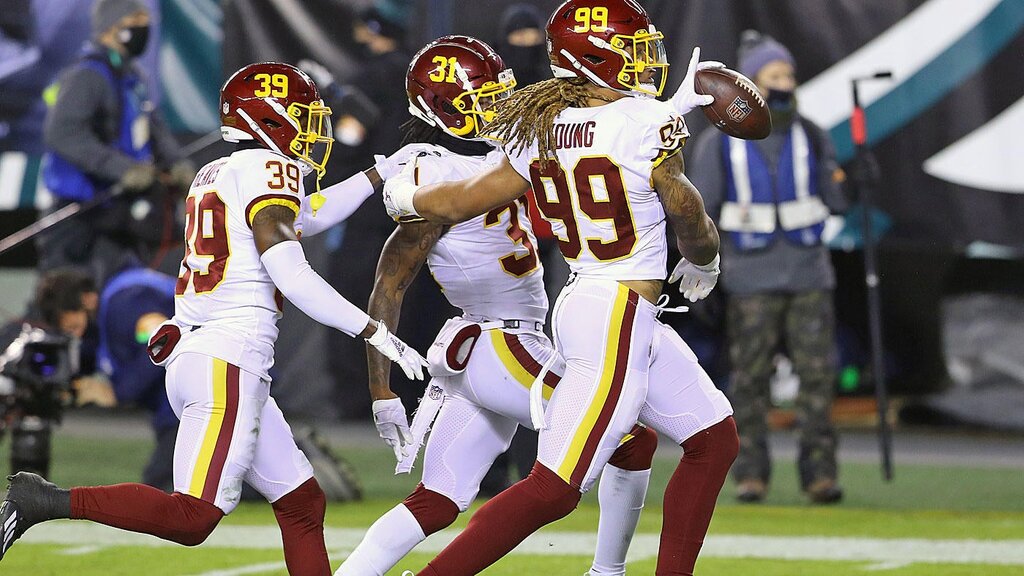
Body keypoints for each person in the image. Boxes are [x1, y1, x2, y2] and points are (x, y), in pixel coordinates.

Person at [0, 62, 427, 574]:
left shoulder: (220, 171)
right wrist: (375, 330)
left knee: (301, 503)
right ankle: (44, 500)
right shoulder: (268, 170)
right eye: (301, 116)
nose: (312, 131)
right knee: (194, 517)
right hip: (229, 358)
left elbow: (304, 215)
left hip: (207, 354)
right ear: (268, 118)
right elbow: (291, 274)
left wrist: (378, 174)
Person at [381, 2, 738, 574]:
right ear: (595, 58)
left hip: (590, 299)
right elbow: (685, 207)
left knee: (713, 437)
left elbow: (464, 198)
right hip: (617, 308)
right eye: (633, 50)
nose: (645, 62)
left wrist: (407, 198)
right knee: (554, 489)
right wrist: (706, 261)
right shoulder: (646, 122)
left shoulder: (541, 125)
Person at [325, 35, 657, 576]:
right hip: (497, 343)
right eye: (480, 98)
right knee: (628, 439)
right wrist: (380, 389)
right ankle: (608, 572)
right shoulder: (427, 171)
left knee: (435, 501)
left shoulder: (504, 152)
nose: (496, 107)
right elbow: (389, 286)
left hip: (499, 343)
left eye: (499, 93)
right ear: (442, 107)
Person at [688, 31, 847, 505]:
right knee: (749, 380)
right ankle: (750, 473)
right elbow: (701, 209)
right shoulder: (720, 144)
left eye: (788, 74)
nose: (784, 83)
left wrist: (853, 181)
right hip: (750, 277)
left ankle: (820, 474)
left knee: (817, 377)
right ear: (751, 85)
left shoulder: (812, 135)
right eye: (774, 75)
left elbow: (834, 200)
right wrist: (707, 267)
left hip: (809, 275)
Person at [39, 0, 194, 284]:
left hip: (118, 213)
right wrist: (122, 169)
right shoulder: (86, 75)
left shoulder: (132, 76)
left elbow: (154, 129)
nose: (144, 26)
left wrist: (178, 165)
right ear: (112, 27)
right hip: (80, 215)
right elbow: (62, 133)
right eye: (136, 18)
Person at [94, 265, 178, 491]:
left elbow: (161, 341)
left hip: (193, 402)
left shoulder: (127, 301)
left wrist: (119, 392)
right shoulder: (122, 294)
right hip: (182, 404)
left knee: (160, 488)